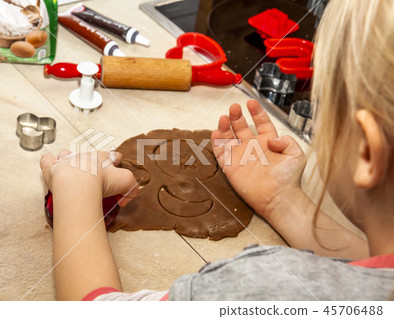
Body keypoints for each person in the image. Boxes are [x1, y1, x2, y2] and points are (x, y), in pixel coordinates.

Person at [39, 0, 394, 301]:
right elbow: (370, 272)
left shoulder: (268, 287)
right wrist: (282, 200)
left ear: (366, 152)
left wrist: (75, 190)